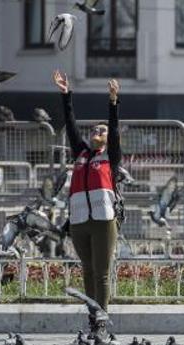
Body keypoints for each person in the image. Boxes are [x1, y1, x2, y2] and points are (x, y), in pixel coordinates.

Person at [53, 70, 121, 330]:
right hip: (80, 222)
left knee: (102, 273)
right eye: (94, 129)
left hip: (104, 222)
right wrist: (65, 95)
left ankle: (102, 321)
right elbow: (70, 126)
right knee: (88, 271)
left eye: (100, 130)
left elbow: (114, 130)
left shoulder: (111, 156)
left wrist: (113, 103)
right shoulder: (81, 153)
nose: (96, 132)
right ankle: (92, 318)